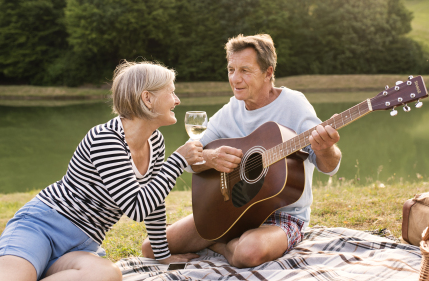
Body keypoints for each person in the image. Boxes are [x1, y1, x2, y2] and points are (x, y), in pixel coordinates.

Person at [0, 61, 201, 281]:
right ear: (148, 98)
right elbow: (136, 208)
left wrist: (162, 253)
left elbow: (152, 201)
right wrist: (177, 161)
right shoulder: (106, 139)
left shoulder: (154, 141)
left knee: (106, 277)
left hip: (83, 245)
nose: (177, 100)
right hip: (41, 228)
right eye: (172, 92)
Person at [141, 34, 342, 268]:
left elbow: (329, 167)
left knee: (248, 253)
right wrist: (209, 157)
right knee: (151, 248)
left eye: (245, 70)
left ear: (268, 72)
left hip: (283, 216)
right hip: (233, 211)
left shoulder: (294, 104)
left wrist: (326, 149)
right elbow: (189, 158)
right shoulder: (230, 110)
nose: (235, 79)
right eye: (231, 69)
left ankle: (221, 246)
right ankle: (226, 239)